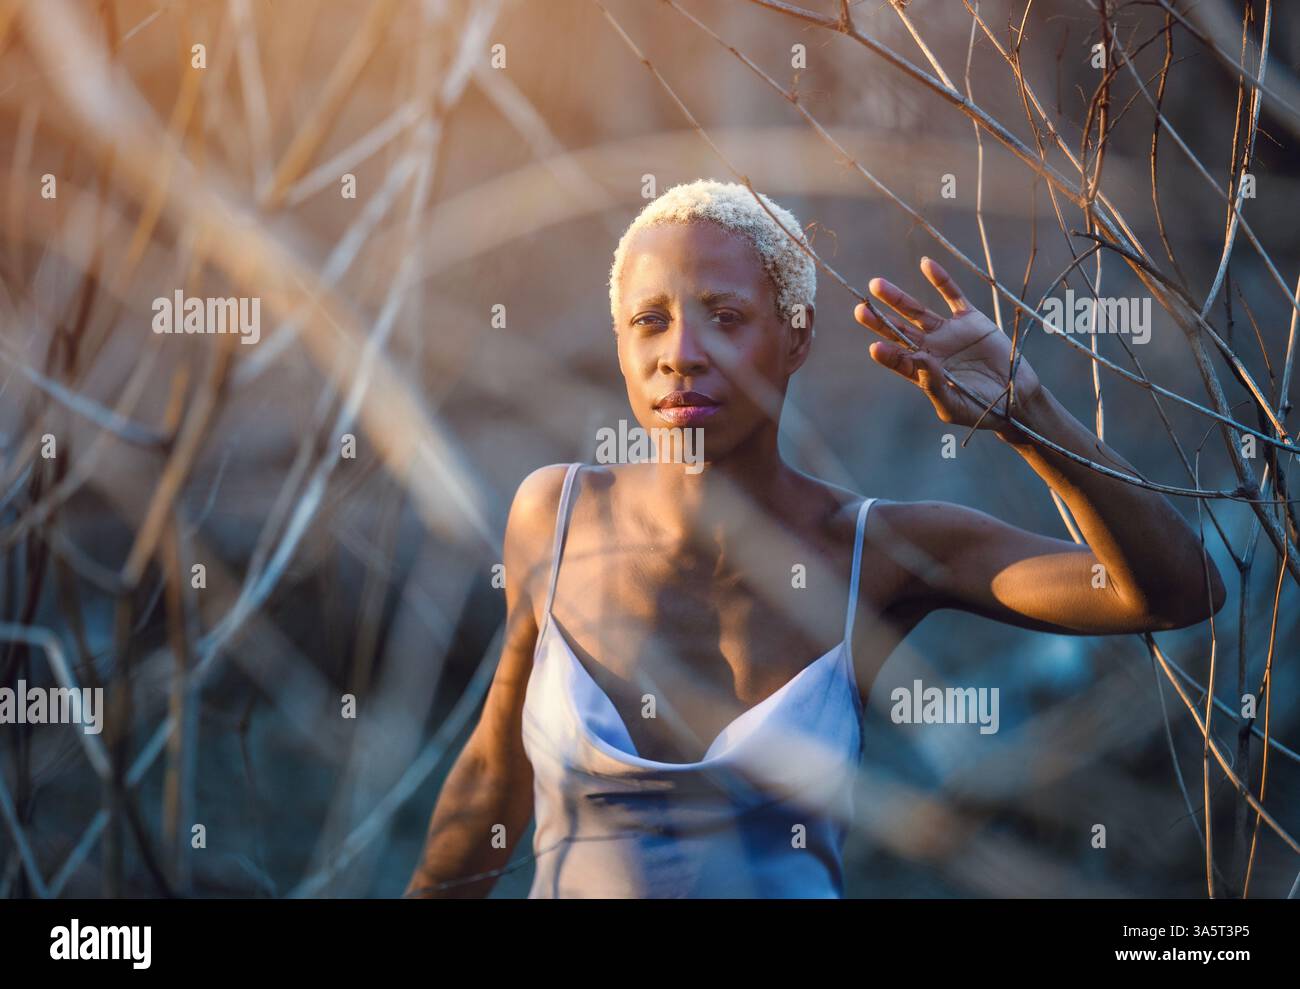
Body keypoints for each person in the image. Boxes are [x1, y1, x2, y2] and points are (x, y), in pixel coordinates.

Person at [405, 179, 1225, 898]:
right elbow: (491, 780)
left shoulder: (877, 551)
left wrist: (1029, 416)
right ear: (621, 345)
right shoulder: (554, 515)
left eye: (725, 317)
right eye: (649, 321)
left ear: (796, 336)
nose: (682, 355)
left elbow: (1175, 589)